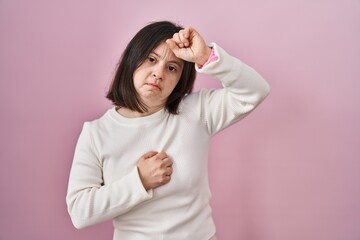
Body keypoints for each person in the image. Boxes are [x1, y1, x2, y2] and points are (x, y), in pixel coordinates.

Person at [66, 21, 270, 240]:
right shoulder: (97, 133)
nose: (158, 73)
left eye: (172, 68)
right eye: (151, 59)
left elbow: (255, 91)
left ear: (179, 80)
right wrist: (139, 181)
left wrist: (205, 56)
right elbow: (80, 212)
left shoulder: (196, 111)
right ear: (131, 60)